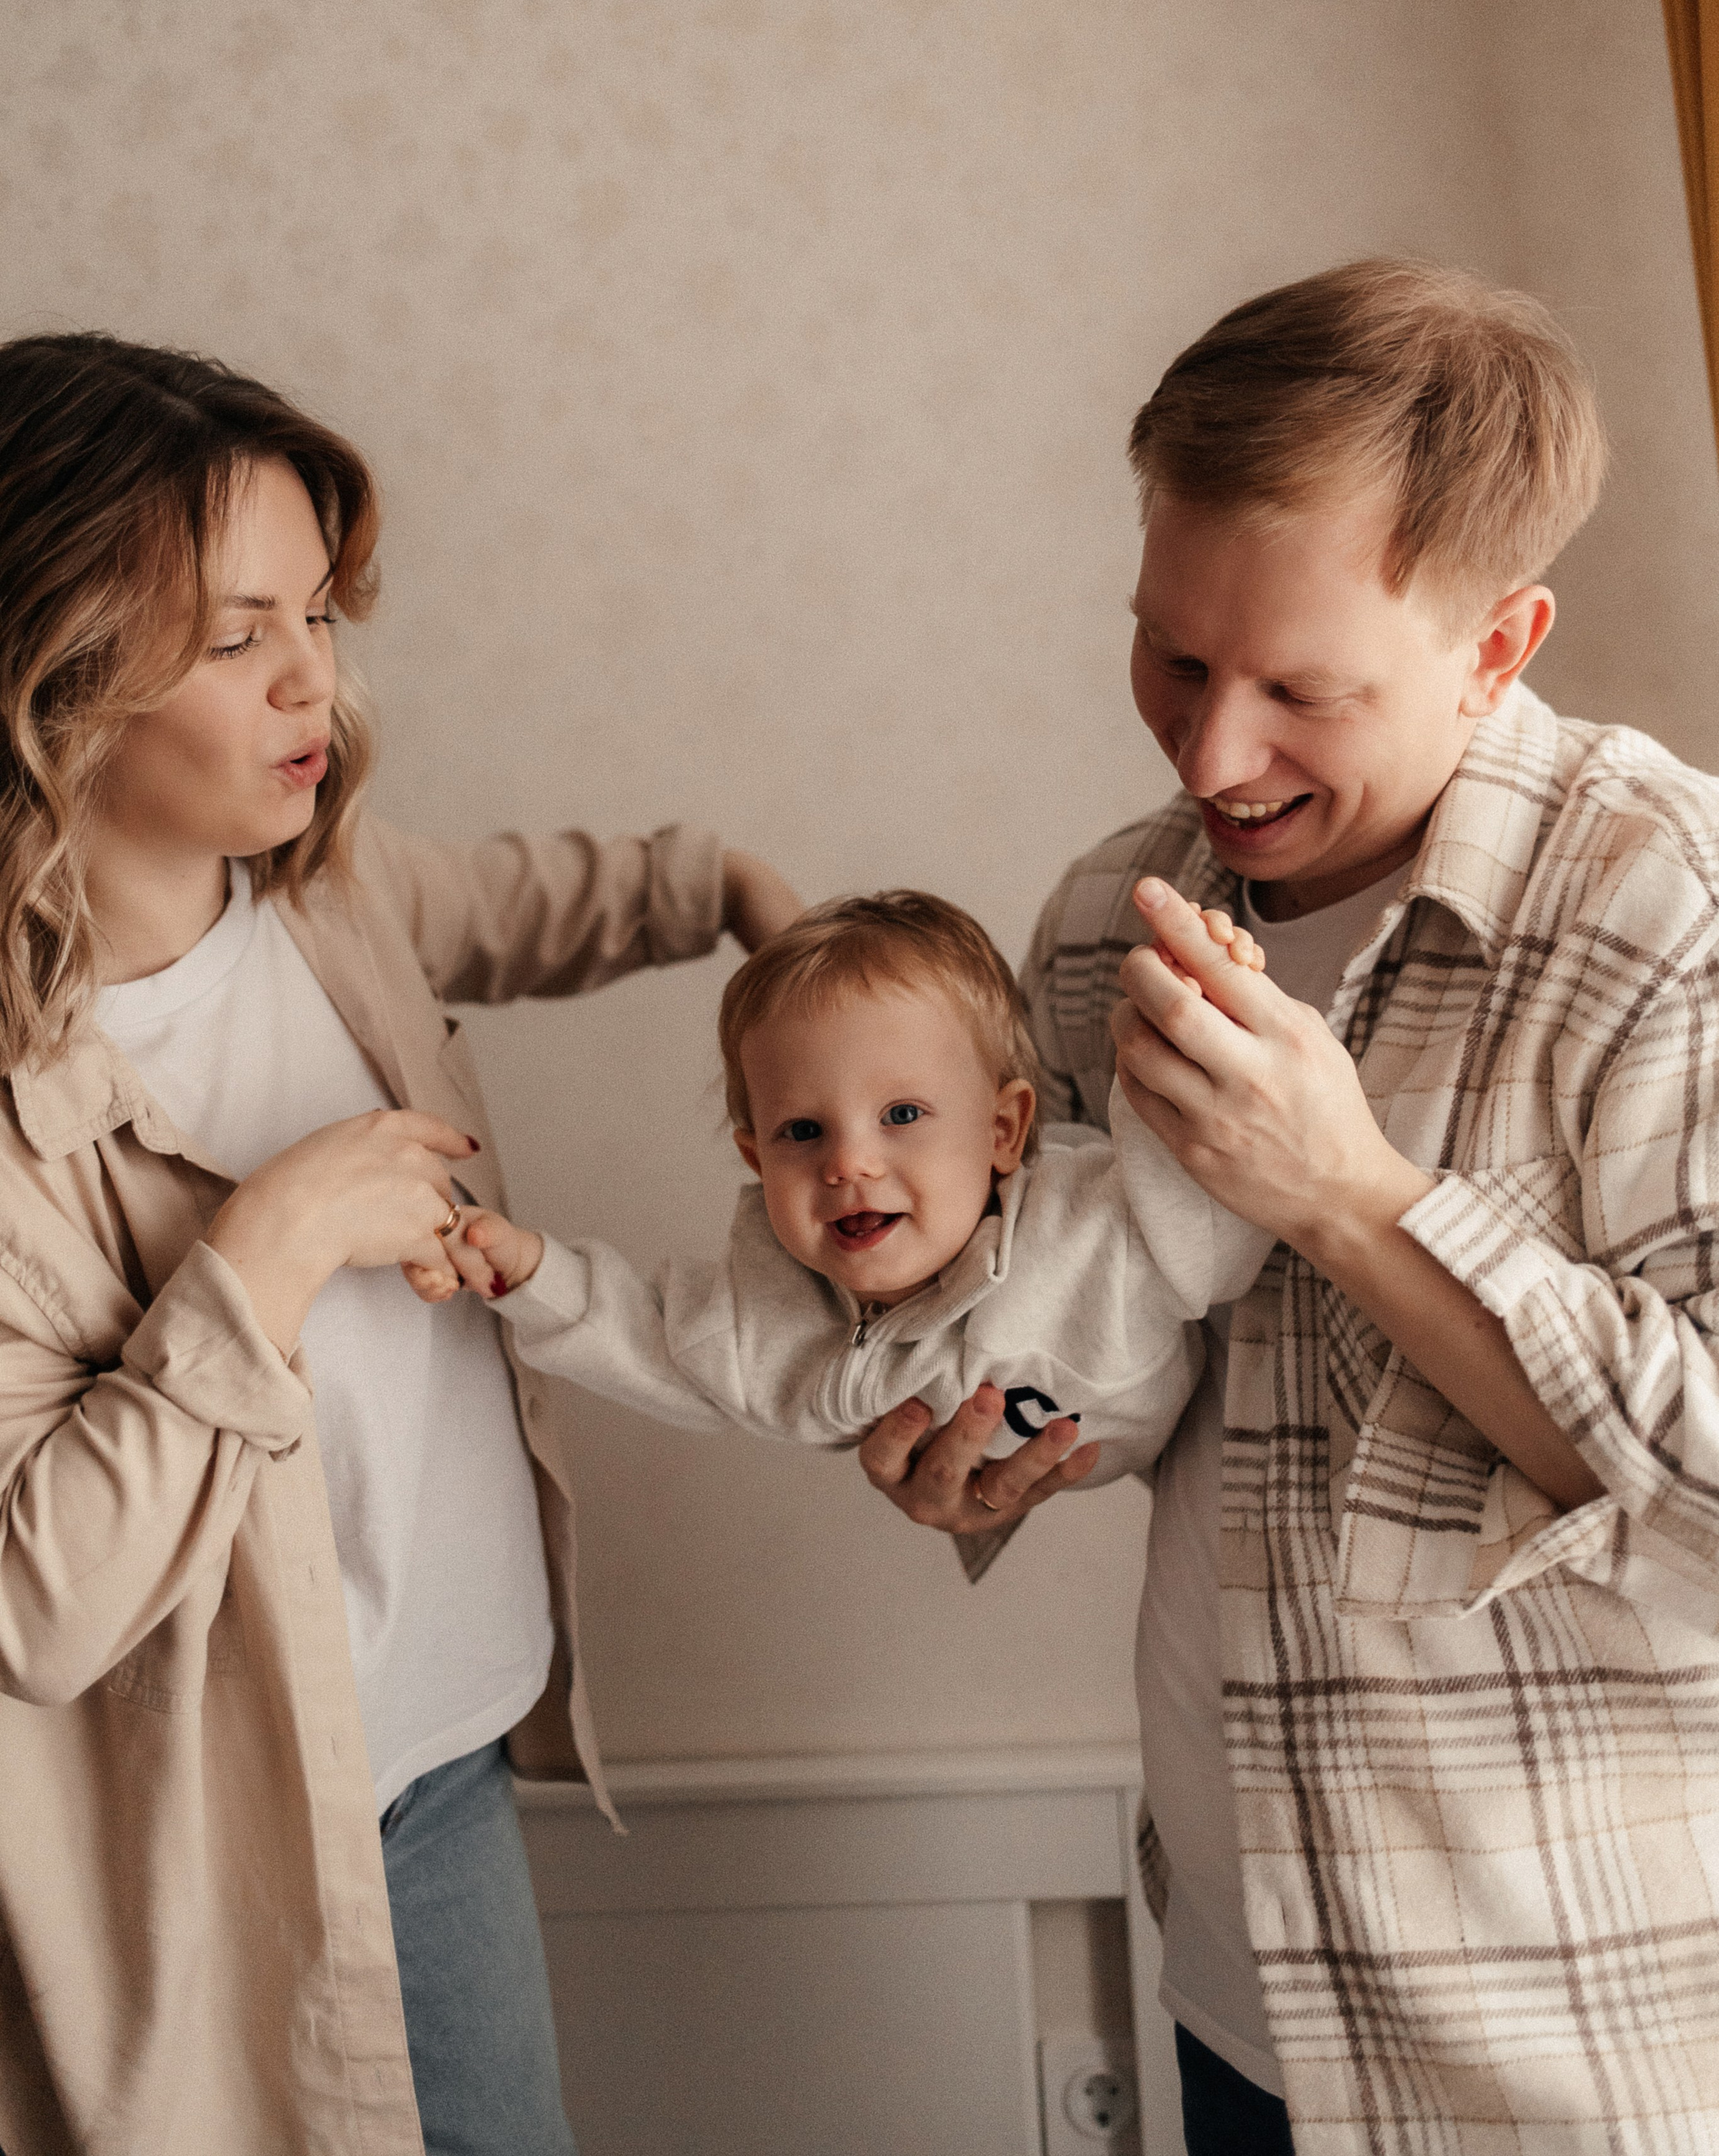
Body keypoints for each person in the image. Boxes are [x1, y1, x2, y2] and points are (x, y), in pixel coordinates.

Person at [858, 259, 1719, 2151]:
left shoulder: (1671, 916)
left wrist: (1348, 1201)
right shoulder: (1106, 919)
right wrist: (989, 1441)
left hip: (1558, 2051)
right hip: (1235, 1990)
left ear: (1501, 644)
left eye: (1301, 691)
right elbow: (1119, 1371)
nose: (1210, 753)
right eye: (1174, 655)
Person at [0, 331, 800, 2156]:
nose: (317, 686)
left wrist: (755, 903)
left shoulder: (338, 902)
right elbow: (34, 1599)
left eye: (321, 618)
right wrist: (261, 1259)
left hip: (443, 1756)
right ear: (50, 682)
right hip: (215, 1843)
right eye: (237, 637)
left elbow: (543, 899)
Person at [409, 889, 1272, 1468]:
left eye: (901, 1116)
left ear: (1003, 1130)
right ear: (755, 1158)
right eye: (801, 1132)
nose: (847, 1164)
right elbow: (653, 1342)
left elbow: (1218, 1218)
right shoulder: (774, 1326)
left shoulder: (1095, 1230)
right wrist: (529, 1272)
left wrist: (1205, 1010)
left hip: (1214, 1440)